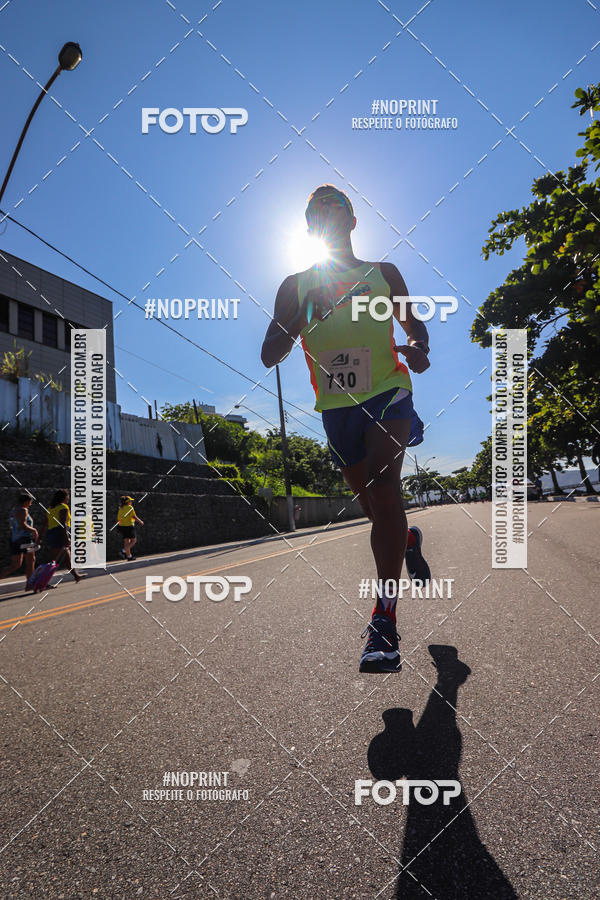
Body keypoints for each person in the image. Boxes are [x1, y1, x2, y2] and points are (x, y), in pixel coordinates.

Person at [261, 183, 431, 673]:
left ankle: (384, 621)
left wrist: (419, 347)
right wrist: (295, 317)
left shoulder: (384, 274)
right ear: (309, 228)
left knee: (385, 487)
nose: (327, 222)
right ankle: (408, 540)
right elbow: (270, 353)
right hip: (336, 409)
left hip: (388, 392)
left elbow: (414, 326)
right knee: (379, 512)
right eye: (318, 217)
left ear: (353, 222)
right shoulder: (293, 285)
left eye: (336, 214)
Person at [39, 489, 85, 583]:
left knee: (67, 557)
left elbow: (45, 523)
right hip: (59, 533)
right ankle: (43, 581)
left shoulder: (50, 508)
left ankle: (76, 576)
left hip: (52, 533)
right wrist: (66, 537)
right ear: (64, 497)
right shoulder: (63, 507)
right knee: (53, 560)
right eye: (67, 496)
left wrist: (40, 535)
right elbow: (62, 523)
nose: (68, 498)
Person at [1, 491, 39, 590]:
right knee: (31, 561)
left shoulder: (13, 510)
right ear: (26, 501)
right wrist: (34, 530)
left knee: (15, 565)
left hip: (15, 540)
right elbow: (22, 525)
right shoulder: (23, 510)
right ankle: (30, 584)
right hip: (25, 539)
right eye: (30, 502)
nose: (30, 504)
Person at [117, 496, 144, 560]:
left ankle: (129, 556)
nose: (131, 502)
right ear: (128, 502)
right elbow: (134, 516)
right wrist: (140, 521)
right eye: (130, 501)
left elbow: (119, 518)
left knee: (127, 541)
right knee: (134, 541)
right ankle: (123, 551)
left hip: (122, 527)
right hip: (129, 526)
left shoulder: (121, 508)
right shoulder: (130, 507)